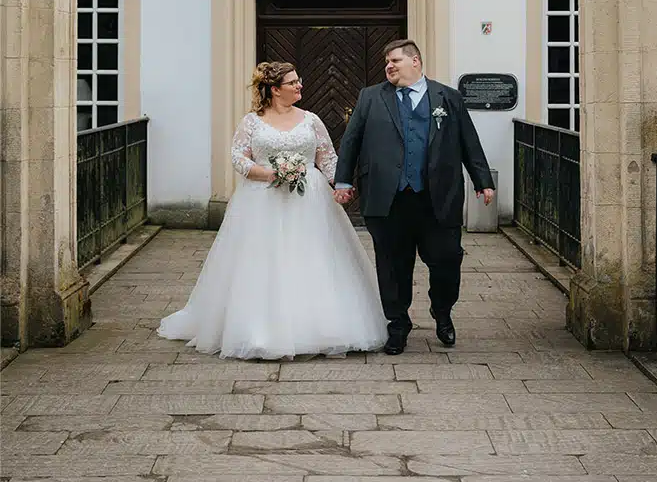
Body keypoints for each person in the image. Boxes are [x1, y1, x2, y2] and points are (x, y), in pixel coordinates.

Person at [158, 61, 387, 360]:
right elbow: (238, 156)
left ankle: (321, 326)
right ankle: (260, 329)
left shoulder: (312, 120)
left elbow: (327, 157)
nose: (299, 86)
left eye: (299, 81)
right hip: (261, 199)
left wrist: (339, 185)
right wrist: (268, 174)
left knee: (314, 256)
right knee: (262, 261)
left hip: (310, 200)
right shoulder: (251, 122)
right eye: (292, 82)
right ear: (275, 90)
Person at [334, 39, 495, 356]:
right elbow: (351, 140)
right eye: (386, 62)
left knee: (447, 259)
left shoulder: (447, 98)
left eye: (394, 60)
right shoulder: (371, 97)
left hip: (438, 197)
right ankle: (397, 325)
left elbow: (468, 141)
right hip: (387, 197)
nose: (389, 66)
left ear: (416, 62)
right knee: (392, 266)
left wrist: (482, 180)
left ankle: (442, 310)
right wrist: (342, 179)